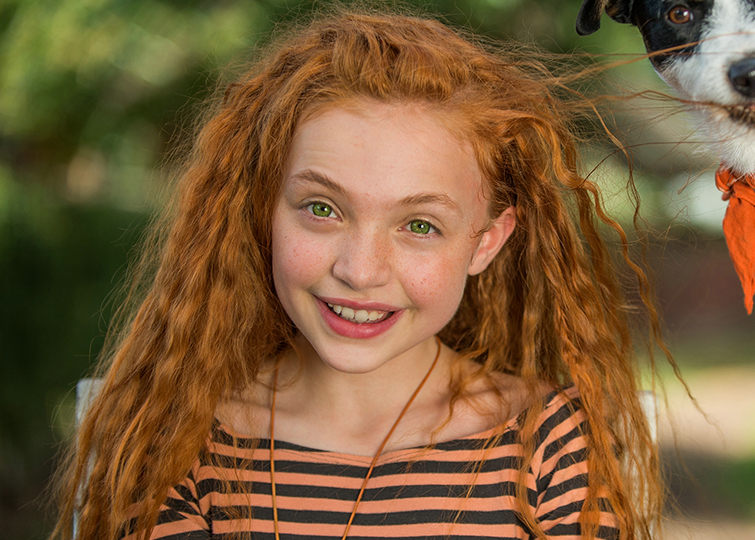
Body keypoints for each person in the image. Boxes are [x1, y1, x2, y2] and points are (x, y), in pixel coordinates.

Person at [51, 8, 670, 540]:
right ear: (265, 210)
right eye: (322, 209)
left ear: (486, 243)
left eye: (420, 225)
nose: (359, 270)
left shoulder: (549, 447)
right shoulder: (176, 440)